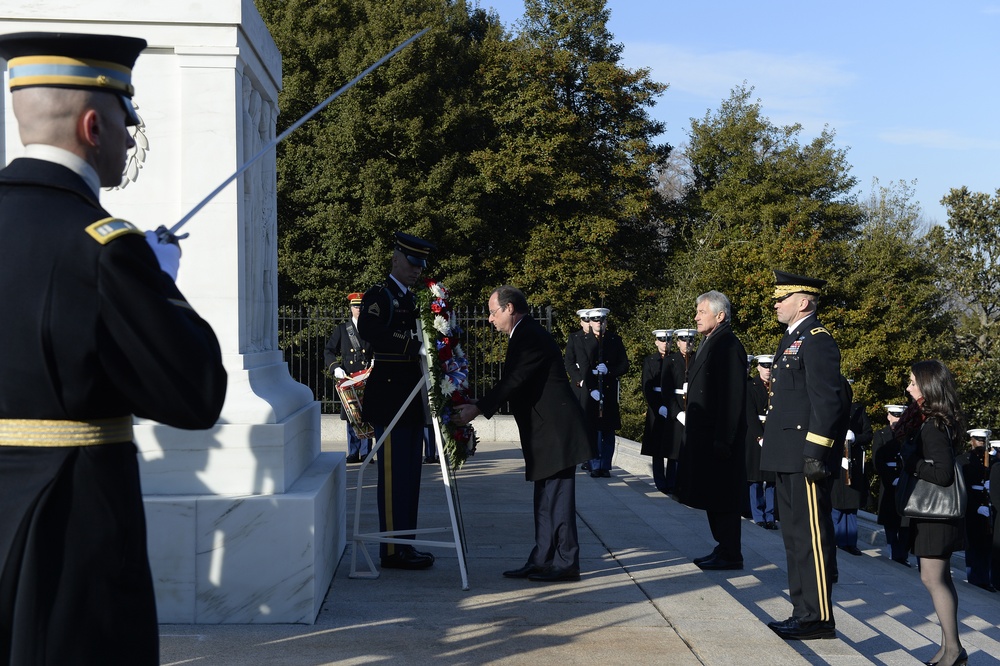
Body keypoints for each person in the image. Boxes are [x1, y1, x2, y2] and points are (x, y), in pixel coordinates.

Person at [0, 32, 228, 664]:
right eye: (128, 120)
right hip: (71, 531)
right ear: (93, 125)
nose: (131, 137)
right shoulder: (104, 246)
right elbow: (194, 395)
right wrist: (158, 283)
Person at [453, 286, 594, 582]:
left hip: (556, 431)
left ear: (510, 308)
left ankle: (566, 562)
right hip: (544, 431)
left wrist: (478, 408)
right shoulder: (524, 334)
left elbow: (514, 380)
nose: (490, 319)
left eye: (493, 312)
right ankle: (542, 558)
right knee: (544, 498)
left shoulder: (529, 335)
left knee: (557, 499)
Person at [761, 270, 849, 642]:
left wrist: (816, 452)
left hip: (804, 455)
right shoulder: (791, 338)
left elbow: (828, 401)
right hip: (786, 454)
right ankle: (803, 611)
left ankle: (818, 617)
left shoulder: (817, 340)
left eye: (783, 297)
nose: (776, 303)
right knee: (795, 537)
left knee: (812, 537)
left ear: (804, 301)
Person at [357, 232, 437, 570]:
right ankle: (391, 550)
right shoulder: (381, 294)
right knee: (392, 476)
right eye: (411, 263)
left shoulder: (413, 298)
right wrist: (413, 343)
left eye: (421, 265)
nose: (417, 270)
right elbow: (369, 330)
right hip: (390, 396)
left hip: (410, 396)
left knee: (410, 475)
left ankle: (406, 544)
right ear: (396, 260)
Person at [897, 361, 967, 666]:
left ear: (928, 385)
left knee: (933, 579)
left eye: (914, 382)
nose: (909, 387)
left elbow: (942, 475)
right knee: (940, 580)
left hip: (935, 516)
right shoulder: (938, 420)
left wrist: (913, 464)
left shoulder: (934, 424)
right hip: (937, 516)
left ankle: (953, 650)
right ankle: (947, 648)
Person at [677, 291, 748, 571]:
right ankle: (723, 547)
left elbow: (732, 397)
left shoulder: (728, 345)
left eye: (701, 312)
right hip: (706, 438)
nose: (695, 317)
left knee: (722, 498)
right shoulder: (712, 341)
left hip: (719, 440)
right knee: (712, 496)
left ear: (720, 316)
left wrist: (723, 439)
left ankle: (731, 552)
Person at [565, 307, 629, 478]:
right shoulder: (581, 340)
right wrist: (591, 387)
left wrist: (609, 370)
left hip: (608, 388)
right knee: (592, 429)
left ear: (606, 322)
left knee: (608, 429)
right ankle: (594, 463)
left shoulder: (615, 340)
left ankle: (605, 465)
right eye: (594, 320)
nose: (598, 323)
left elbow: (624, 365)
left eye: (601, 320)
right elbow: (582, 365)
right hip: (590, 388)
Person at [324, 291, 372, 463]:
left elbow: (377, 350)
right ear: (350, 308)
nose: (358, 309)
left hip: (366, 376)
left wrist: (375, 362)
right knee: (352, 414)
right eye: (356, 306)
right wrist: (335, 367)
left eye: (361, 306)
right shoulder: (342, 329)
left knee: (366, 414)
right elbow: (328, 350)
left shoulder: (370, 329)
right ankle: (353, 451)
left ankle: (367, 452)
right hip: (349, 377)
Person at [831, 385, 873, 556]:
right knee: (837, 505)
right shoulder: (830, 408)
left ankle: (850, 542)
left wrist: (855, 438)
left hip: (853, 463)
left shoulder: (858, 409)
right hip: (836, 462)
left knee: (851, 506)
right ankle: (836, 538)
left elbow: (868, 434)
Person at [872, 404, 911, 566]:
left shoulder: (908, 435)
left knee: (904, 520)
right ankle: (892, 549)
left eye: (899, 416)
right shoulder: (881, 434)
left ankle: (901, 554)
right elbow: (877, 461)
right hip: (889, 483)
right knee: (890, 519)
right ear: (888, 416)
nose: (896, 419)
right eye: (894, 415)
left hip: (904, 480)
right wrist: (890, 479)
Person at [959, 428, 996, 592]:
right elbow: (963, 489)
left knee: (987, 545)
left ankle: (985, 579)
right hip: (973, 508)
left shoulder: (992, 461)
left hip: (988, 507)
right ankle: (973, 577)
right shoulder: (963, 460)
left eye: (984, 441)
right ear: (971, 440)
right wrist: (976, 507)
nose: (981, 444)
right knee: (973, 544)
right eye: (978, 440)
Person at [640, 329, 676, 494]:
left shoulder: (676, 359)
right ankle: (660, 482)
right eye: (661, 340)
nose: (665, 343)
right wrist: (657, 407)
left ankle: (672, 481)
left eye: (667, 340)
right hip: (657, 406)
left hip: (672, 405)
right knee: (657, 448)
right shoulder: (650, 360)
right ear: (656, 342)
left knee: (672, 446)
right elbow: (647, 386)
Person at [746, 354, 778, 529]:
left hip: (773, 434)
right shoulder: (751, 386)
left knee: (771, 479)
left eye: (770, 366)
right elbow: (750, 414)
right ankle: (758, 515)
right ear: (758, 367)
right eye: (764, 366)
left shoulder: (779, 386)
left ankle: (770, 516)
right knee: (756, 478)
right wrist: (759, 436)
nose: (768, 369)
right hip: (755, 436)